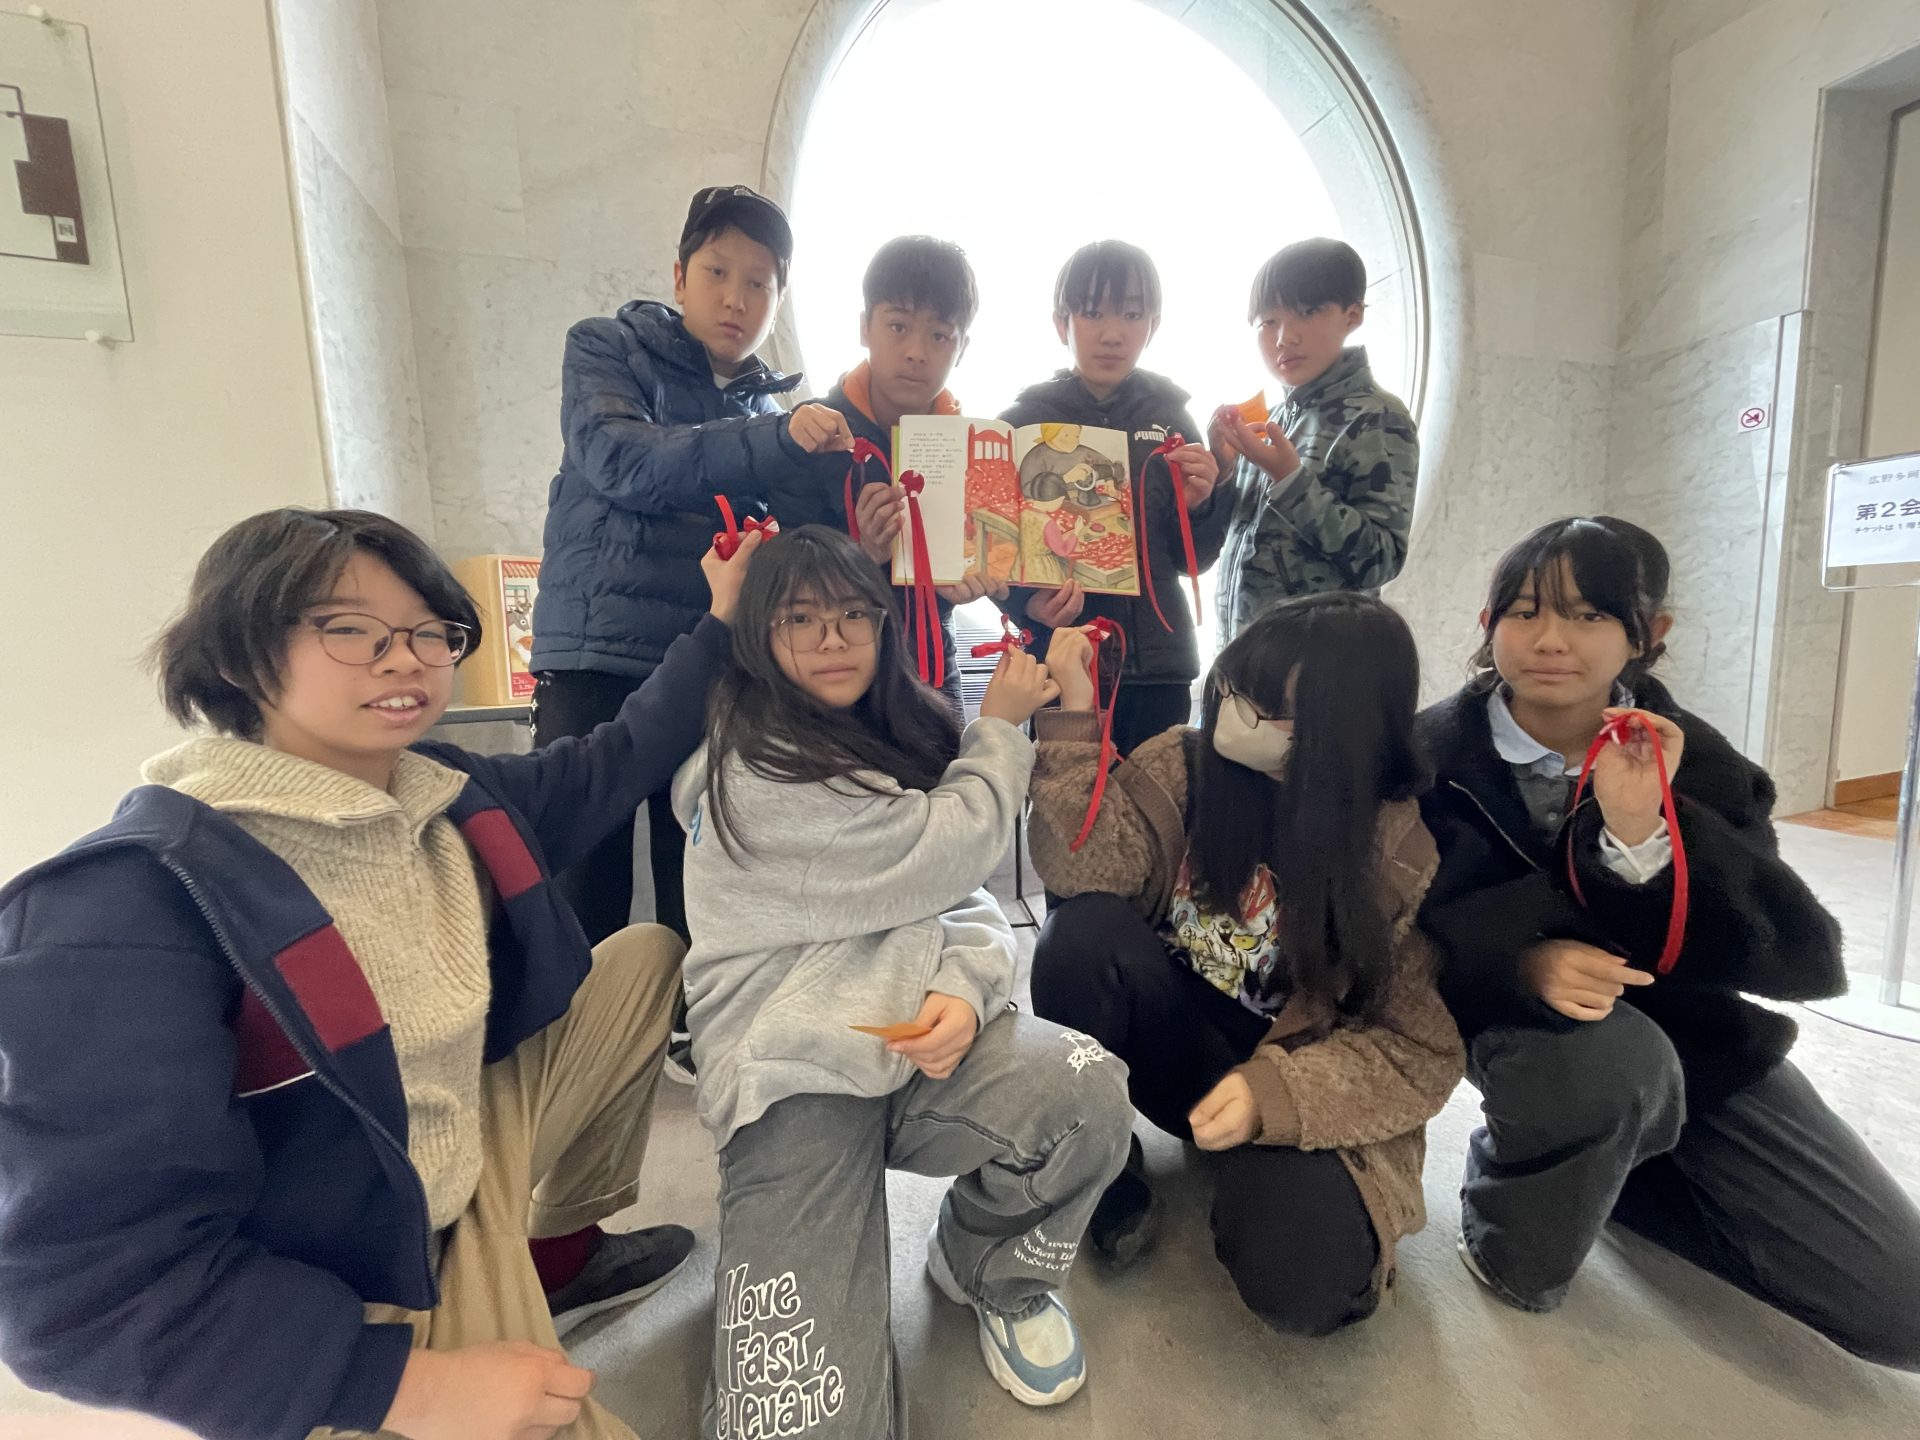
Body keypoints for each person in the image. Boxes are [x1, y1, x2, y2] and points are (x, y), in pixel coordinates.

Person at [0, 507, 761, 1440]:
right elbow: (82, 1296)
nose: (404, 661)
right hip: (354, 1266)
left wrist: (722, 618)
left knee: (642, 960)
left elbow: (619, 757)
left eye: (427, 633)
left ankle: (556, 1252)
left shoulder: (442, 795)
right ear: (237, 657)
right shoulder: (127, 908)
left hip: (447, 1153)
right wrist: (413, 1389)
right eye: (350, 630)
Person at [1419, 515, 1920, 1368]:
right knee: (1607, 1076)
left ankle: (1620, 1170)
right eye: (1525, 611)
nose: (1550, 639)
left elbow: (1769, 940)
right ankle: (1514, 1211)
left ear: (1649, 633)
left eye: (1589, 615)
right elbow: (1394, 922)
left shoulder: (1699, 760)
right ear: (1487, 623)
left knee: (1899, 1311)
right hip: (1515, 1018)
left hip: (1695, 1033)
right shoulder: (1428, 755)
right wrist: (1522, 959)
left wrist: (1639, 831)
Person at [670, 526, 1134, 1433]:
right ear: (757, 632)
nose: (833, 639)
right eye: (800, 618)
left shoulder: (897, 727)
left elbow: (960, 896)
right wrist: (999, 729)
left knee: (1088, 1091)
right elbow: (951, 846)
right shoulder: (752, 769)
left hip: (914, 1040)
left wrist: (964, 986)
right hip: (795, 1075)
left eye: (854, 614)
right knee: (801, 1418)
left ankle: (988, 1268)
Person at [1025, 594, 1463, 1335]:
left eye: (1277, 710)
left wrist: (1276, 1095)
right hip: (1170, 1041)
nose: (1241, 717)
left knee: (1306, 1279)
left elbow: (1418, 1052)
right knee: (1080, 933)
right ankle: (1101, 1157)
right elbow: (1082, 868)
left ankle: (1268, 1193)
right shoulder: (1187, 763)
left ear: (1352, 729)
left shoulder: (1402, 854)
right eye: (1237, 689)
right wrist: (1073, 719)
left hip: (1294, 1074)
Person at [530, 183, 853, 947]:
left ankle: (694, 1014)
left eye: (759, 284)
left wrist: (845, 491)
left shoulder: (770, 414)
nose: (736, 298)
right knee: (580, 883)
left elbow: (801, 545)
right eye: (717, 272)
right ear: (679, 278)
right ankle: (580, 1024)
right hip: (596, 659)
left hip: (707, 664)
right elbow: (622, 460)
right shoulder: (605, 348)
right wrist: (779, 443)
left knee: (701, 882)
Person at [999, 240, 1229, 754]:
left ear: (1153, 324)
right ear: (1061, 323)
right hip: (1063, 658)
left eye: (1131, 314)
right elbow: (991, 547)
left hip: (1161, 663)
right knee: (1065, 792)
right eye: (1092, 313)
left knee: (1160, 796)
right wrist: (1027, 604)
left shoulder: (1172, 418)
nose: (1112, 333)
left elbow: (1193, 561)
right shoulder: (1021, 422)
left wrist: (1201, 504)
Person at [822, 234, 1007, 713]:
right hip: (831, 685)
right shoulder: (817, 434)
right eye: (898, 326)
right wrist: (861, 554)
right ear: (864, 327)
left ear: (962, 347)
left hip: (932, 672)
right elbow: (782, 587)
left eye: (939, 336)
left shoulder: (973, 453)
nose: (916, 352)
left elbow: (981, 565)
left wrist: (959, 589)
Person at [1211, 237, 1419, 641]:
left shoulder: (1376, 416)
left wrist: (1290, 480)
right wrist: (1220, 471)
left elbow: (1381, 559)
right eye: (1268, 322)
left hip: (1320, 662)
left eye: (1306, 312)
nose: (1284, 337)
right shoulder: (1272, 420)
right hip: (1241, 653)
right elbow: (1232, 540)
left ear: (1352, 315)